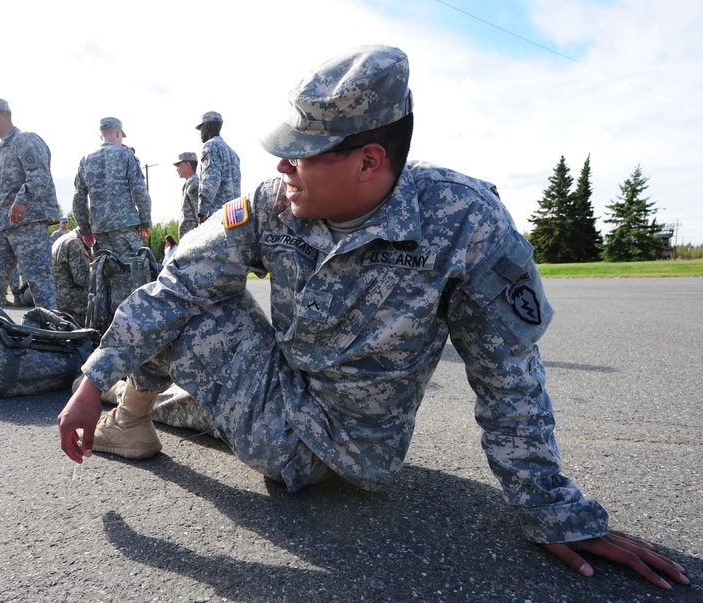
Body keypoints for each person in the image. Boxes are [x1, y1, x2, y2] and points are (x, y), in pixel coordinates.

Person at [58, 45, 690, 590]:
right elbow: (174, 286)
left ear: (368, 161)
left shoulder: (465, 222)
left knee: (188, 322)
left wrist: (553, 510)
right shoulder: (276, 203)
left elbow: (509, 376)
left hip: (333, 450)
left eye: (303, 153)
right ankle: (135, 409)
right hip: (282, 387)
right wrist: (90, 382)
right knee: (183, 306)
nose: (281, 167)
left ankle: (131, 416)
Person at [0, 98, 60, 309]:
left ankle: (54, 334)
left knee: (39, 282)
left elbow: (40, 174)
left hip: (28, 221)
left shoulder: (25, 140)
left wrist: (23, 200)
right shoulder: (1, 150)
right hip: (2, 224)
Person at [72, 117, 152, 258]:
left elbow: (78, 199)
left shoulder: (85, 161)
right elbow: (139, 191)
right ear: (118, 133)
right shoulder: (126, 155)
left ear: (101, 136)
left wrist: (85, 230)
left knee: (106, 275)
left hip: (100, 231)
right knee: (134, 273)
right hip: (125, 228)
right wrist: (145, 222)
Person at [195, 111, 241, 222]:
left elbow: (211, 179)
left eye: (200, 128)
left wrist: (202, 211)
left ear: (207, 126)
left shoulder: (210, 146)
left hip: (218, 215)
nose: (199, 133)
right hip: (235, 214)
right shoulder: (233, 152)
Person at [51, 226, 91, 325]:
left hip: (57, 293)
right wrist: (99, 273)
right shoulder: (75, 243)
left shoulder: (64, 238)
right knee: (105, 297)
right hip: (69, 295)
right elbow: (81, 279)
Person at [173, 152, 199, 238]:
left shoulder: (194, 182)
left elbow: (199, 212)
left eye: (178, 165)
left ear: (187, 165)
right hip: (190, 237)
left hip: (194, 237)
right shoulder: (190, 182)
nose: (177, 169)